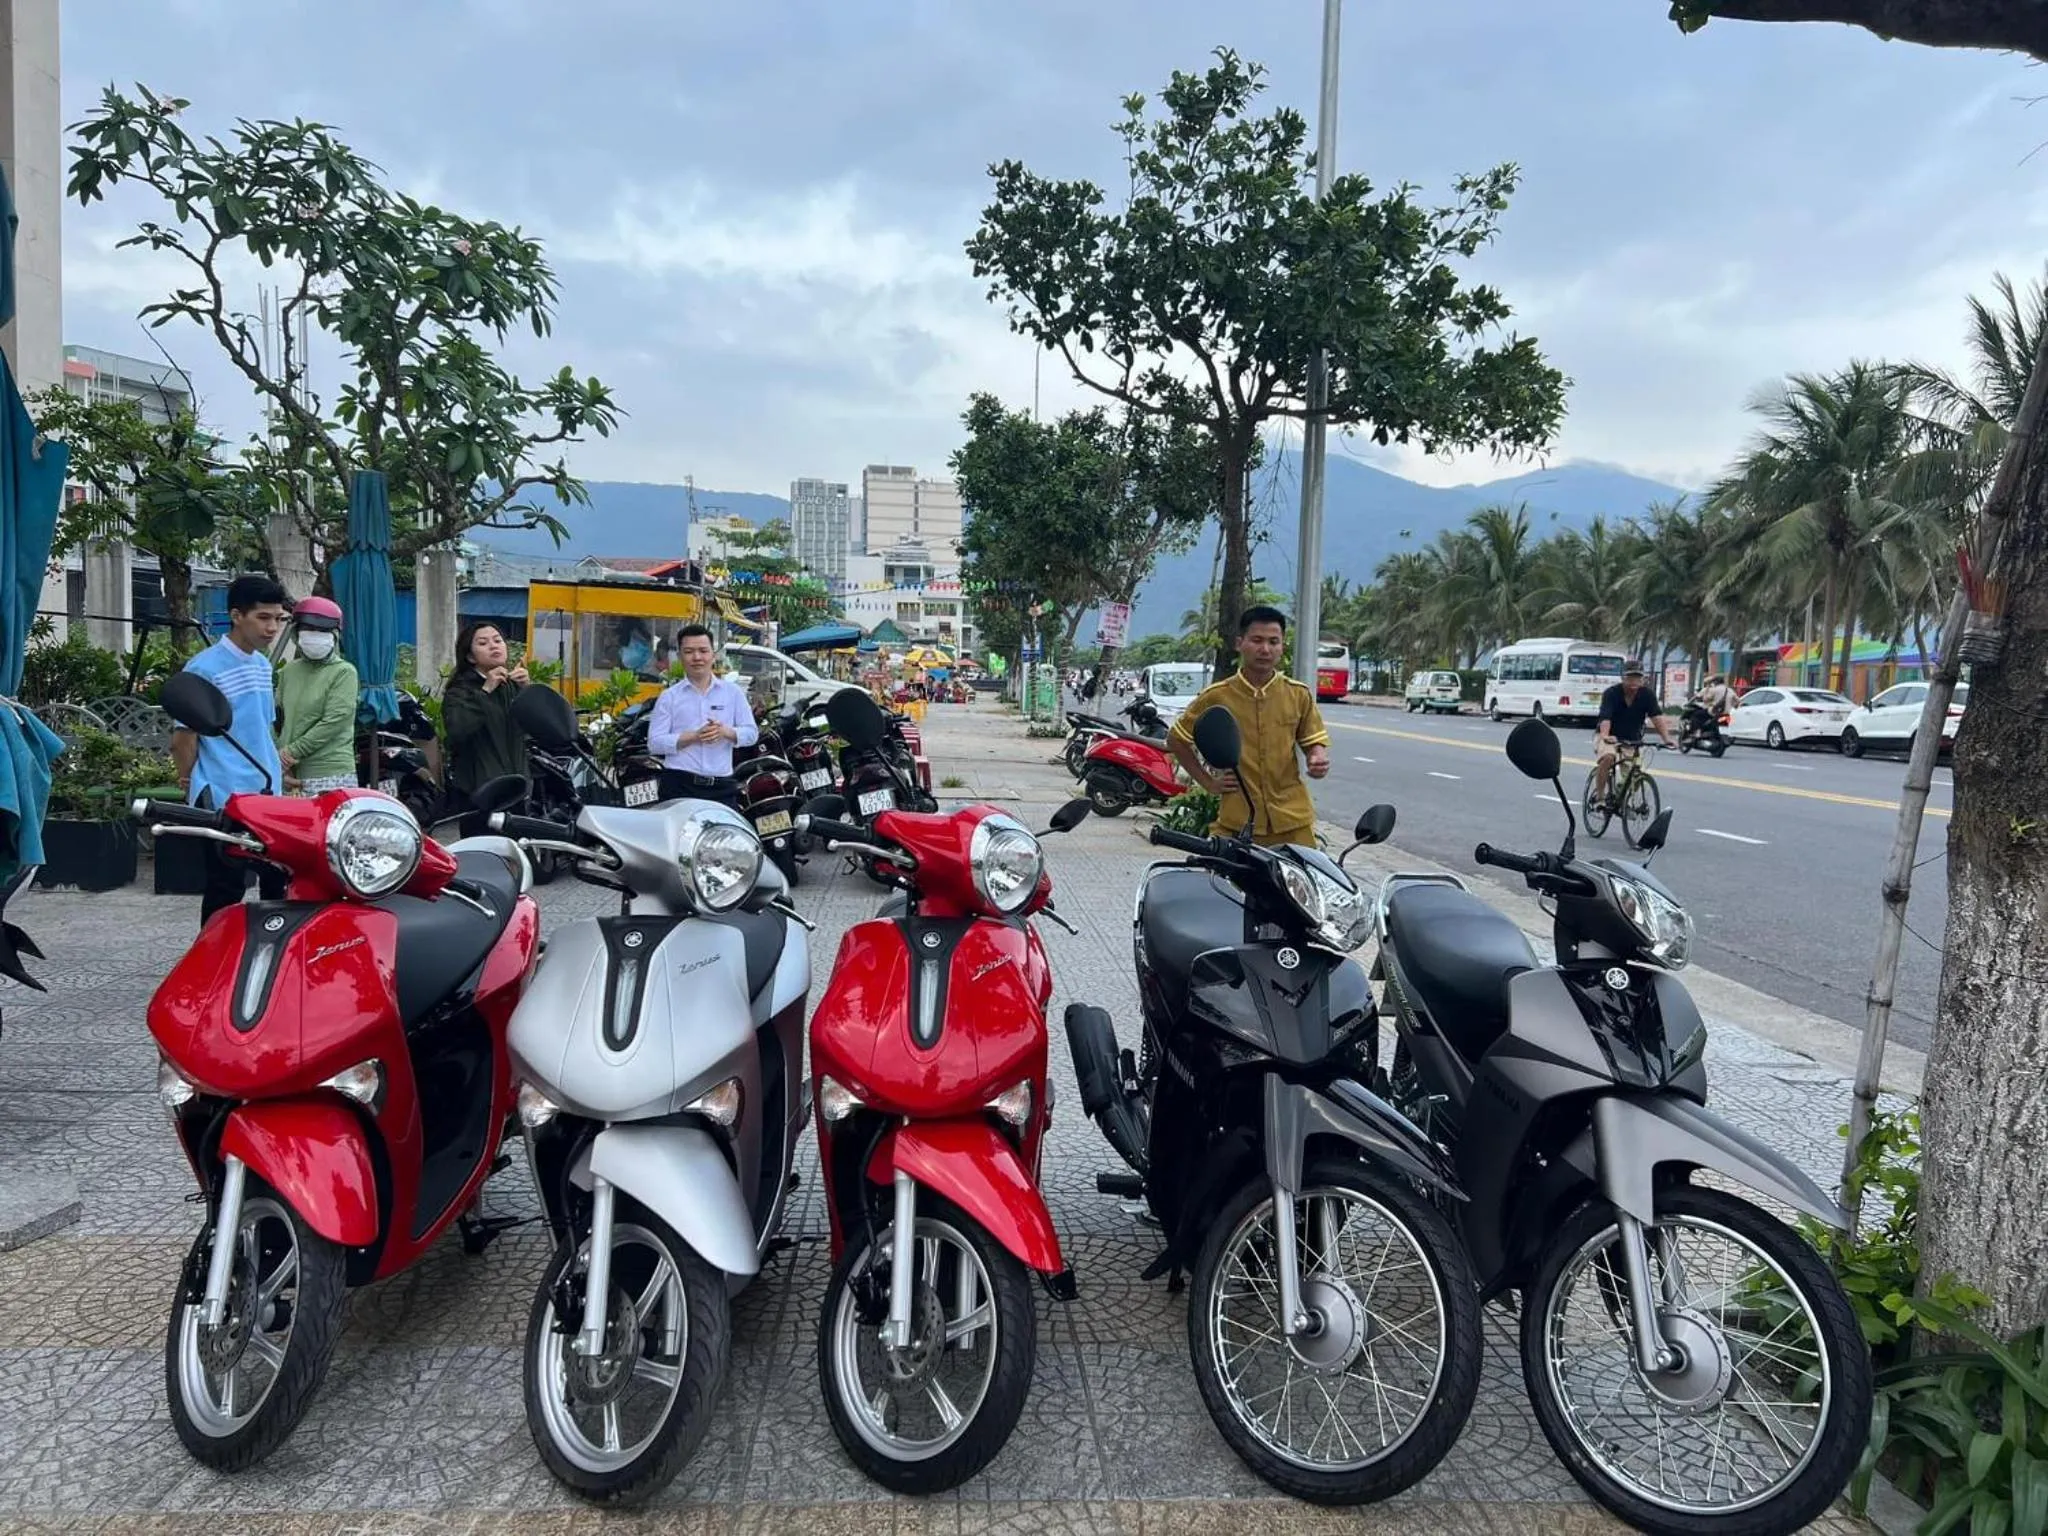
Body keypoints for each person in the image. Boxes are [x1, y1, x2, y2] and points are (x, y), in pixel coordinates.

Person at [174, 574, 290, 927]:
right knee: (227, 886)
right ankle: (210, 963)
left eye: (278, 619)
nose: (272, 628)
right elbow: (184, 737)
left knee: (277, 881)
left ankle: (271, 959)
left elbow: (262, 728)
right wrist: (186, 778)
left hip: (267, 792)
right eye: (263, 618)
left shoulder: (262, 664)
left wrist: (280, 772)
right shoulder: (204, 668)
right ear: (237, 616)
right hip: (226, 794)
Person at [1168, 605, 1331, 848]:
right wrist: (1208, 783)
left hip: (1293, 823)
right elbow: (1176, 740)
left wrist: (1317, 758)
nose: (1265, 649)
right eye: (1257, 640)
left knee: (1301, 884)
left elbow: (1312, 740)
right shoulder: (1216, 697)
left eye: (1273, 642)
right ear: (1239, 643)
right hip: (1237, 822)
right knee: (1221, 883)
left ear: (1282, 646)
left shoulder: (1298, 694)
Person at [647, 623, 758, 805]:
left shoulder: (733, 693)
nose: (697, 657)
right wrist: (694, 736)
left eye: (703, 651)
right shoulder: (669, 697)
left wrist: (726, 732)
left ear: (713, 655)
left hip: (721, 786)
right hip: (679, 784)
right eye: (689, 651)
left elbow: (752, 734)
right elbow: (655, 743)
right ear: (680, 656)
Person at [440, 621, 531, 812]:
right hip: (480, 793)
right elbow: (458, 729)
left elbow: (536, 729)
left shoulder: (513, 686)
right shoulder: (460, 691)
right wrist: (486, 691)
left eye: (498, 640)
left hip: (517, 790)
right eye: (483, 643)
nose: (493, 646)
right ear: (471, 657)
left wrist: (528, 693)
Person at [274, 596, 360, 797]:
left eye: (323, 632)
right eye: (309, 630)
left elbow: (334, 721)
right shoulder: (288, 671)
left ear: (335, 635)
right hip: (289, 773)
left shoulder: (344, 672)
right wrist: (279, 760)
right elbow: (277, 717)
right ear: (296, 634)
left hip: (331, 772)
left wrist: (290, 753)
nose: (315, 636)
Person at [1594, 658, 1677, 800]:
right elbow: (1605, 717)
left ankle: (1621, 795)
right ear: (1623, 678)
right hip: (1609, 737)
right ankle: (1600, 796)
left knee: (1636, 776)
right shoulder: (1611, 693)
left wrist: (1666, 738)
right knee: (1608, 758)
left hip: (1632, 740)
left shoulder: (1647, 695)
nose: (1634, 682)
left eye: (1638, 678)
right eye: (1630, 678)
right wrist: (1605, 735)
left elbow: (1656, 717)